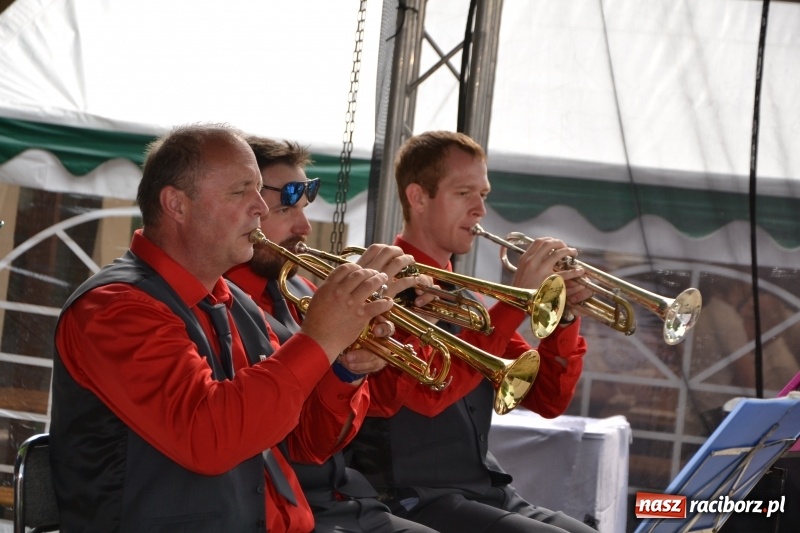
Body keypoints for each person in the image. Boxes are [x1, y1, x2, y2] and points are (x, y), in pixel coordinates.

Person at [49, 123, 397, 532]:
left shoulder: (233, 302)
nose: (261, 208)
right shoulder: (114, 308)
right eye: (241, 191)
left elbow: (305, 442)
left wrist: (344, 368)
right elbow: (208, 438)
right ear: (176, 205)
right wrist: (318, 339)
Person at [347, 130, 598, 533]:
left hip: (481, 490)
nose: (480, 209)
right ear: (418, 197)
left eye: (483, 194)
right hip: (410, 497)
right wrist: (519, 300)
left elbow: (549, 399)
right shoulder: (382, 285)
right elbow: (430, 396)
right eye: (464, 193)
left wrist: (562, 319)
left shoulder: (467, 298)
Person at [225, 136, 439, 533]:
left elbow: (384, 406)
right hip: (281, 508)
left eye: (305, 209)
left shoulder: (305, 293)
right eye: (287, 208)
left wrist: (359, 359)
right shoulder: (220, 306)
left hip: (343, 498)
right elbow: (300, 444)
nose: (304, 227)